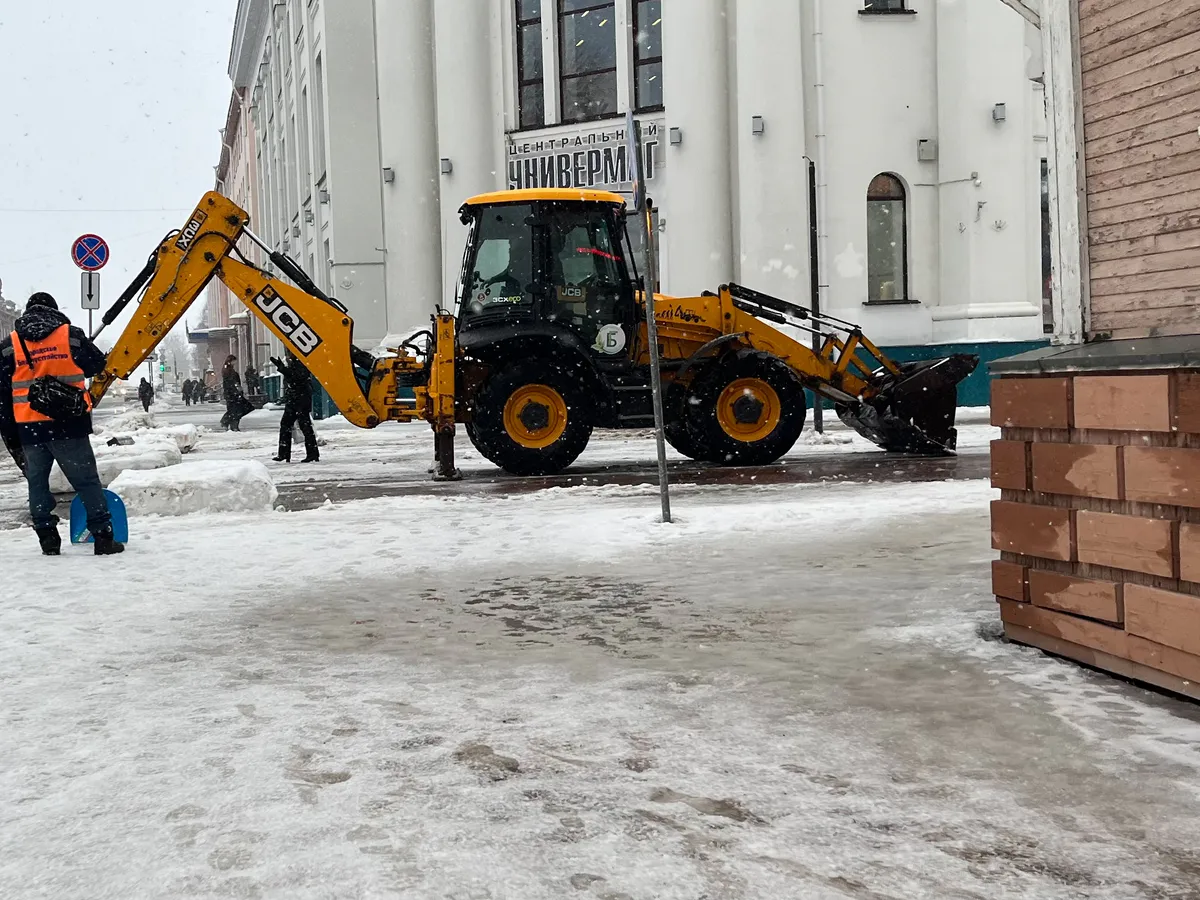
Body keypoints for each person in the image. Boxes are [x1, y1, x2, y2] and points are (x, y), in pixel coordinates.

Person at [0, 292, 124, 556]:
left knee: (37, 484)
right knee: (86, 481)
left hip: (30, 427)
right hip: (69, 423)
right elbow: (97, 365)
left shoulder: (10, 344)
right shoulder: (69, 335)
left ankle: (48, 540)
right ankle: (103, 537)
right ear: (54, 311)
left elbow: (2, 391)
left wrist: (10, 432)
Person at [271, 352, 319, 463]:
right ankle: (283, 453)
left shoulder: (301, 363)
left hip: (301, 400)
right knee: (285, 424)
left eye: (289, 354)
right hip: (293, 399)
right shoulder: (295, 363)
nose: (287, 357)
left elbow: (297, 377)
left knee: (305, 426)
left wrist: (283, 368)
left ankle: (312, 454)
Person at [220, 355, 250, 432]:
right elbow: (233, 382)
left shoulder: (227, 369)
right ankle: (230, 424)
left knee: (235, 410)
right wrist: (237, 390)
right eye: (234, 361)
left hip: (231, 393)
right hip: (232, 393)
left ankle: (230, 424)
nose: (235, 362)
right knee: (236, 410)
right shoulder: (229, 371)